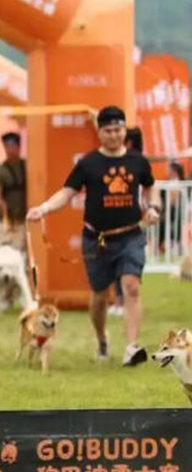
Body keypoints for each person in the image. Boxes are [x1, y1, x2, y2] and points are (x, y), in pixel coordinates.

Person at [27, 106, 160, 367]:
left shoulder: (137, 161)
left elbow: (150, 185)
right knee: (100, 295)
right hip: (97, 239)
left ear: (125, 130)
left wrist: (153, 207)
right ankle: (101, 339)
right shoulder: (88, 164)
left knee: (131, 286)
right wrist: (44, 208)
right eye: (108, 131)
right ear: (99, 132)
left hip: (130, 235)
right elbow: (67, 193)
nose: (114, 135)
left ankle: (131, 348)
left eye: (118, 130)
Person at [0, 132, 27, 251]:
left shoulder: (28, 167)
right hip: (3, 222)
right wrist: (5, 215)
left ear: (19, 146)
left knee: (20, 256)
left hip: (22, 222)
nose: (10, 149)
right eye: (7, 146)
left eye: (13, 145)